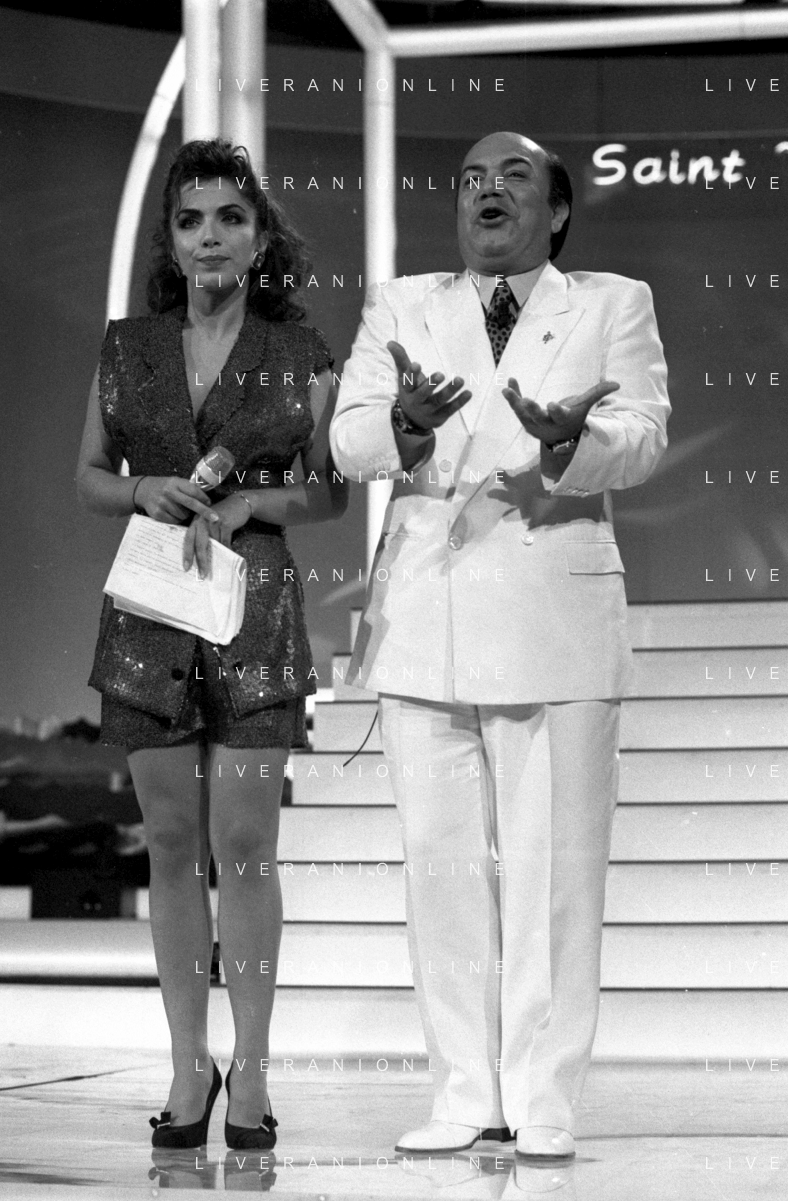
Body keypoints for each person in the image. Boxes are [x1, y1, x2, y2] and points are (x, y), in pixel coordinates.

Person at [330, 130, 669, 1159]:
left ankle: (543, 1094)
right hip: (426, 613)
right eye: (471, 178)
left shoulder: (611, 303)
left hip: (552, 609)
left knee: (554, 873)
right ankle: (462, 1089)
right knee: (439, 871)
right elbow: (348, 440)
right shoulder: (402, 305)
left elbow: (644, 434)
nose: (486, 190)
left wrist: (571, 442)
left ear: (556, 211)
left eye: (513, 176)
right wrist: (405, 427)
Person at [77, 138, 347, 1150]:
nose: (210, 237)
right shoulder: (127, 347)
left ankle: (254, 1071)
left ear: (260, 236)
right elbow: (89, 476)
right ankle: (189, 1064)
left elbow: (329, 492)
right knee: (171, 845)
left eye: (230, 217)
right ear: (171, 239)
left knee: (245, 847)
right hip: (149, 608)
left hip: (254, 608)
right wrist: (143, 488)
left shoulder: (300, 349)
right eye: (191, 220)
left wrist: (245, 505)